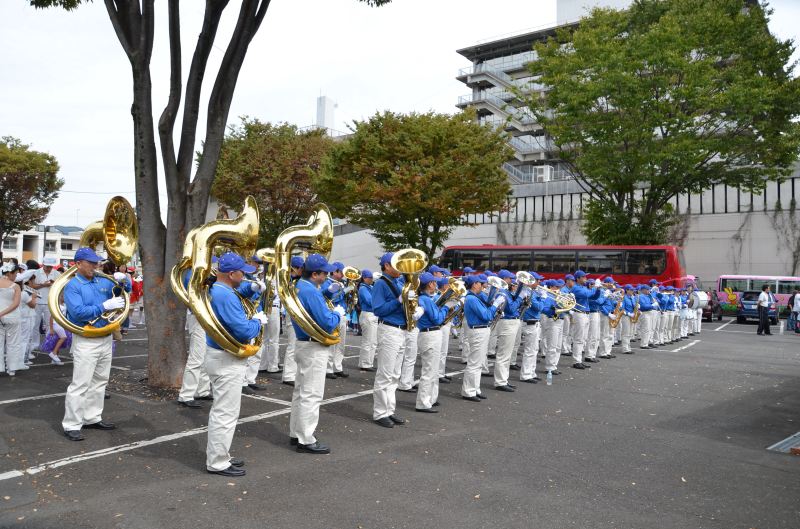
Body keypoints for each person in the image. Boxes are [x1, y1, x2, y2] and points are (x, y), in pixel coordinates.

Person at [203, 252, 267, 476]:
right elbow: (242, 330)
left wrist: (250, 289)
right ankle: (218, 461)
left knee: (223, 411)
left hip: (218, 355)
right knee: (225, 413)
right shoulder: (226, 295)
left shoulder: (219, 289)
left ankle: (221, 455)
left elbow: (235, 294)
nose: (245, 276)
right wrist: (257, 322)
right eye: (242, 273)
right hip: (226, 359)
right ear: (232, 274)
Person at [61, 248, 130, 441]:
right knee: (81, 383)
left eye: (96, 262)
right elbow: (78, 312)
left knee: (100, 381)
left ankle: (92, 417)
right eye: (91, 263)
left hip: (105, 337)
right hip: (86, 339)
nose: (95, 265)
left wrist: (124, 281)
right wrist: (104, 307)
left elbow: (125, 293)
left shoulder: (102, 280)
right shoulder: (72, 286)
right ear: (78, 264)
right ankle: (71, 424)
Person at [289, 253, 344, 454]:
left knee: (301, 392)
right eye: (324, 273)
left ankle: (296, 433)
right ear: (316, 274)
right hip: (313, 346)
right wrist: (337, 314)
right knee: (311, 394)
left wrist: (327, 295)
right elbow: (327, 323)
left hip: (304, 343)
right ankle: (306, 439)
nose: (327, 276)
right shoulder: (310, 291)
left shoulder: (300, 286)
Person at [372, 252, 416, 428]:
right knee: (385, 373)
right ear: (386, 266)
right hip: (389, 329)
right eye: (395, 264)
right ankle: (380, 412)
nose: (399, 267)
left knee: (395, 374)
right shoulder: (380, 284)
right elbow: (378, 309)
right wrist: (399, 301)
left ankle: (389, 410)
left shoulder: (400, 282)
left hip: (401, 329)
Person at [461, 274, 505, 402]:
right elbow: (486, 315)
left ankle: (475, 389)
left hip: (481, 330)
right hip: (477, 331)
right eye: (481, 283)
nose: (483, 286)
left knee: (478, 363)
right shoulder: (471, 298)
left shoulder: (475, 297)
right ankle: (468, 391)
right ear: (474, 284)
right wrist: (496, 304)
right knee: (474, 363)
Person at [177, 268, 213, 409]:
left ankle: (202, 390)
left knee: (205, 356)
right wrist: (205, 284)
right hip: (198, 316)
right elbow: (192, 293)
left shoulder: (204, 270)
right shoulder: (193, 273)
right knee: (196, 357)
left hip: (207, 316)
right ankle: (186, 395)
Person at [414, 272, 450, 412]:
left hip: (431, 334)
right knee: (429, 370)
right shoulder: (425, 299)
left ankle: (430, 399)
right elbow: (437, 319)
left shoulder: (426, 298)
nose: (436, 284)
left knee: (433, 370)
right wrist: (446, 307)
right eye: (434, 282)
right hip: (430, 334)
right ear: (430, 284)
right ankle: (423, 402)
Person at [492, 269, 525, 392]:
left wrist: (520, 292)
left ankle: (503, 380)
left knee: (507, 354)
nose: (511, 281)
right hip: (507, 323)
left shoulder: (506, 292)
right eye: (509, 278)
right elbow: (511, 308)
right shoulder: (502, 293)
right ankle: (500, 382)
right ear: (504, 279)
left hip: (511, 323)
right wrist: (520, 297)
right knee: (504, 354)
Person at [567, 271, 602, 369]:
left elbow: (594, 297)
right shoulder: (576, 288)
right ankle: (576, 361)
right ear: (578, 278)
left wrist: (598, 289)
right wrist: (595, 287)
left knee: (583, 338)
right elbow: (587, 294)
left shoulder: (583, 287)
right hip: (579, 314)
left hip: (586, 314)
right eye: (583, 277)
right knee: (578, 338)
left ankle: (579, 360)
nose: (585, 278)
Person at [322, 262, 349, 379]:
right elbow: (328, 299)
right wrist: (341, 291)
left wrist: (348, 291)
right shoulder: (326, 283)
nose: (343, 274)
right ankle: (328, 369)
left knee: (341, 343)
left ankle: (338, 367)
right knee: (332, 342)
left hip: (342, 314)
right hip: (332, 313)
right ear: (334, 272)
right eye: (341, 271)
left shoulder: (341, 283)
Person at [282, 256, 305, 387]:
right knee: (292, 345)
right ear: (295, 268)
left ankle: (292, 373)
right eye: (301, 268)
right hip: (291, 313)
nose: (303, 271)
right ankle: (288, 375)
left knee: (296, 344)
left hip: (297, 314)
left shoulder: (297, 280)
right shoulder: (288, 280)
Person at [519, 273, 546, 383]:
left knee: (534, 350)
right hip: (530, 323)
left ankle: (531, 373)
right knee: (530, 350)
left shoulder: (532, 292)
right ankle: (526, 375)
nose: (539, 283)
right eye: (538, 280)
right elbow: (539, 307)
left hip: (534, 323)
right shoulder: (529, 293)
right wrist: (543, 298)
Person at [30, 256, 61, 348]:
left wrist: (53, 283)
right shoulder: (36, 273)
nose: (49, 268)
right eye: (47, 266)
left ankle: (48, 344)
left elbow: (59, 286)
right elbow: (31, 286)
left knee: (50, 324)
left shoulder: (56, 273)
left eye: (51, 266)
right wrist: (42, 285)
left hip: (50, 302)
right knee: (35, 324)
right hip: (37, 301)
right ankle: (34, 345)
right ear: (43, 264)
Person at [0, 263, 23, 376]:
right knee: (13, 343)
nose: (16, 276)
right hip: (12, 317)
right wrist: (3, 313)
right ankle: (12, 368)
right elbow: (15, 304)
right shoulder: (15, 286)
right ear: (10, 273)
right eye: (15, 273)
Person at [357, 269, 378, 371]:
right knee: (367, 341)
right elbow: (369, 301)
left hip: (372, 314)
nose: (371, 280)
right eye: (369, 278)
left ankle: (369, 363)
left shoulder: (370, 287)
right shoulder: (363, 289)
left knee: (373, 342)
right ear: (364, 278)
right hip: (367, 314)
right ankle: (364, 363)